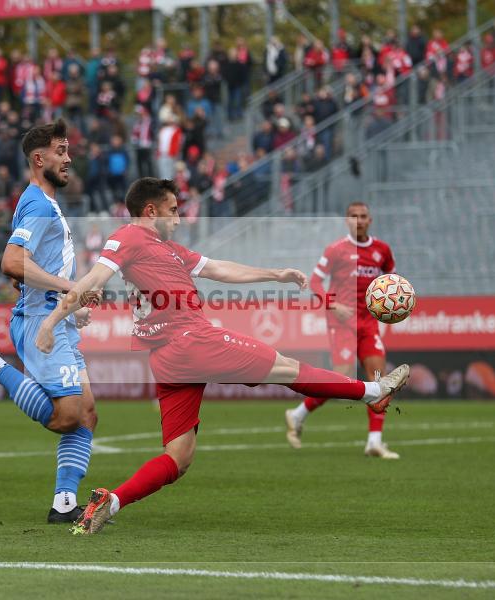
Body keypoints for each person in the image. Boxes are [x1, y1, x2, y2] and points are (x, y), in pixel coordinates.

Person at [32, 178, 410, 534]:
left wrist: (274, 274)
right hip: (190, 339)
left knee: (179, 457)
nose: (178, 219)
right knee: (286, 367)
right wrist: (50, 323)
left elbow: (217, 269)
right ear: (150, 211)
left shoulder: (170, 249)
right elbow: (91, 282)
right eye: (173, 211)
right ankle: (370, 392)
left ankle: (111, 502)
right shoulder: (128, 237)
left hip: (168, 356)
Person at [0, 120, 99, 525]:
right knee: (67, 416)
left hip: (54, 318)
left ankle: (64, 505)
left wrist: (70, 302)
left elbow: (25, 268)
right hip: (38, 324)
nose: (68, 158)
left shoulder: (46, 203)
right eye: (61, 151)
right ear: (38, 158)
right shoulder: (38, 203)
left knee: (87, 413)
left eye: (68, 150)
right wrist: (71, 286)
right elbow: (11, 262)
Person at [284, 201, 400, 458]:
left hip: (368, 322)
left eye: (363, 216)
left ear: (370, 220)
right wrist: (332, 305)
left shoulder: (382, 250)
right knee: (342, 376)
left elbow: (391, 281)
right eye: (353, 216)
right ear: (347, 221)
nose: (358, 220)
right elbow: (314, 281)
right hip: (342, 322)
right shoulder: (336, 250)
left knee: (380, 378)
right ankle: (298, 413)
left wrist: (391, 305)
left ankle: (374, 442)